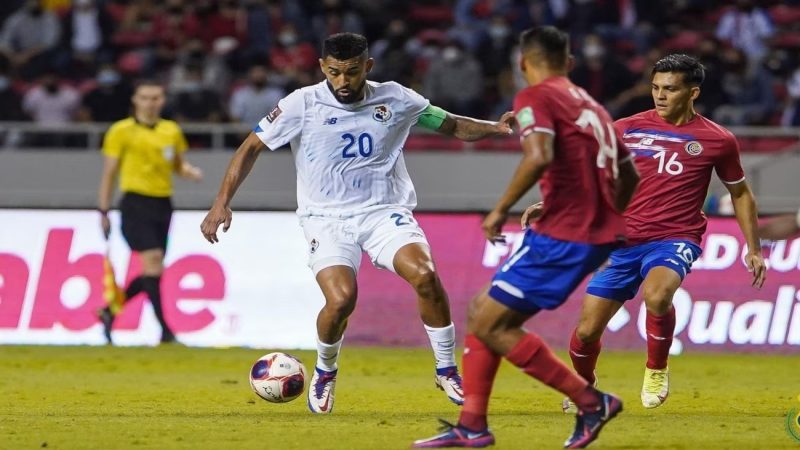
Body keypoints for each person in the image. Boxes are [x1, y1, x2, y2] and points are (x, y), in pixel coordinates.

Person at [200, 32, 514, 414]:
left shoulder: (397, 98)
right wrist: (221, 203)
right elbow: (251, 146)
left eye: (351, 73)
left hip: (384, 212)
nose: (342, 82)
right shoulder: (302, 104)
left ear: (368, 66)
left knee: (426, 276)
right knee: (341, 299)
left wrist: (495, 128)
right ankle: (326, 371)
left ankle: (446, 369)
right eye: (334, 73)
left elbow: (450, 124)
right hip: (326, 218)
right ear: (322, 67)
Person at [413, 26, 640, 449]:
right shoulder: (592, 106)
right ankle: (473, 426)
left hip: (566, 234)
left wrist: (501, 209)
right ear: (570, 63)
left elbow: (539, 155)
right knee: (484, 312)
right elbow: (630, 174)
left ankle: (591, 402)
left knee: (489, 322)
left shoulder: (536, 96)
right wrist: (607, 215)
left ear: (522, 64)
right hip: (584, 230)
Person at [562, 54, 766, 414]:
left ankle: (656, 369)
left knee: (657, 295)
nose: (660, 95)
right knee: (587, 331)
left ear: (693, 92)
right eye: (656, 87)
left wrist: (753, 247)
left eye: (670, 89)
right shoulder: (625, 128)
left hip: (675, 236)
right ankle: (585, 384)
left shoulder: (718, 140)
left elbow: (740, 193)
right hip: (622, 242)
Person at [97, 81, 203, 345]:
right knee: (153, 260)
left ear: (162, 101)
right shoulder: (120, 131)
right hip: (134, 202)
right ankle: (166, 332)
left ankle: (109, 311)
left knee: (154, 272)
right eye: (145, 97)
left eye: (155, 98)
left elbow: (177, 165)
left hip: (163, 203)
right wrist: (103, 209)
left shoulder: (171, 131)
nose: (150, 102)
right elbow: (109, 173)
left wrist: (189, 172)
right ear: (135, 100)